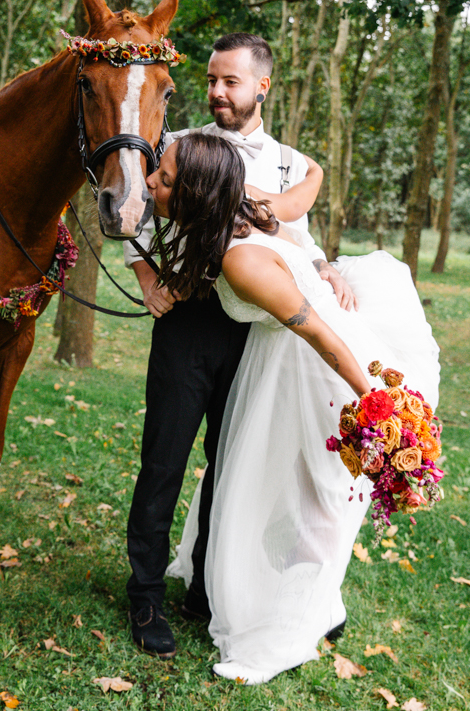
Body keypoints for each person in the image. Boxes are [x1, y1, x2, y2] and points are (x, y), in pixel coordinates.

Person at [145, 132, 440, 684]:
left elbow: (323, 338)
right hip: (285, 362)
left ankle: (289, 623)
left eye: (162, 179)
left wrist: (377, 399)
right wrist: (313, 173)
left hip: (312, 372)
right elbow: (301, 200)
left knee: (309, 498)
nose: (150, 184)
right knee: (285, 493)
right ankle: (308, 602)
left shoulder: (242, 264)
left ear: (193, 196)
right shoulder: (244, 202)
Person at [123, 33, 356, 659]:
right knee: (163, 462)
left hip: (254, 337)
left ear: (262, 87)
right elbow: (133, 213)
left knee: (231, 466)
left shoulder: (286, 162)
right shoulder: (179, 147)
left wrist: (324, 265)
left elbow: (294, 235)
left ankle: (206, 585)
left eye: (231, 81)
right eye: (211, 80)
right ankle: (144, 591)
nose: (218, 92)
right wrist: (148, 279)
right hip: (189, 326)